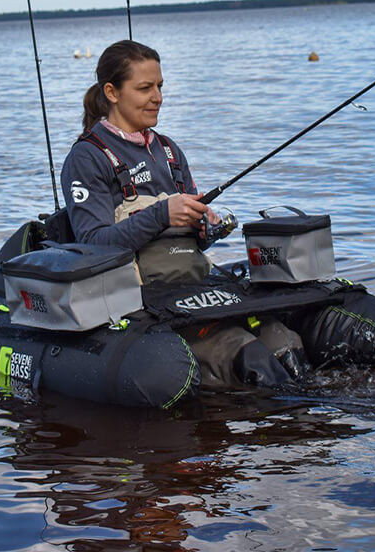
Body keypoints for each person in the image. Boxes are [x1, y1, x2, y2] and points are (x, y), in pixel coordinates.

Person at [60, 40, 308, 388]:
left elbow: (191, 242)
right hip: (144, 300)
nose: (157, 97)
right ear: (112, 92)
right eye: (145, 88)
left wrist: (206, 227)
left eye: (160, 86)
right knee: (250, 357)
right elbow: (93, 242)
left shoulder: (169, 150)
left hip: (196, 286)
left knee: (285, 342)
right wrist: (162, 214)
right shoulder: (86, 158)